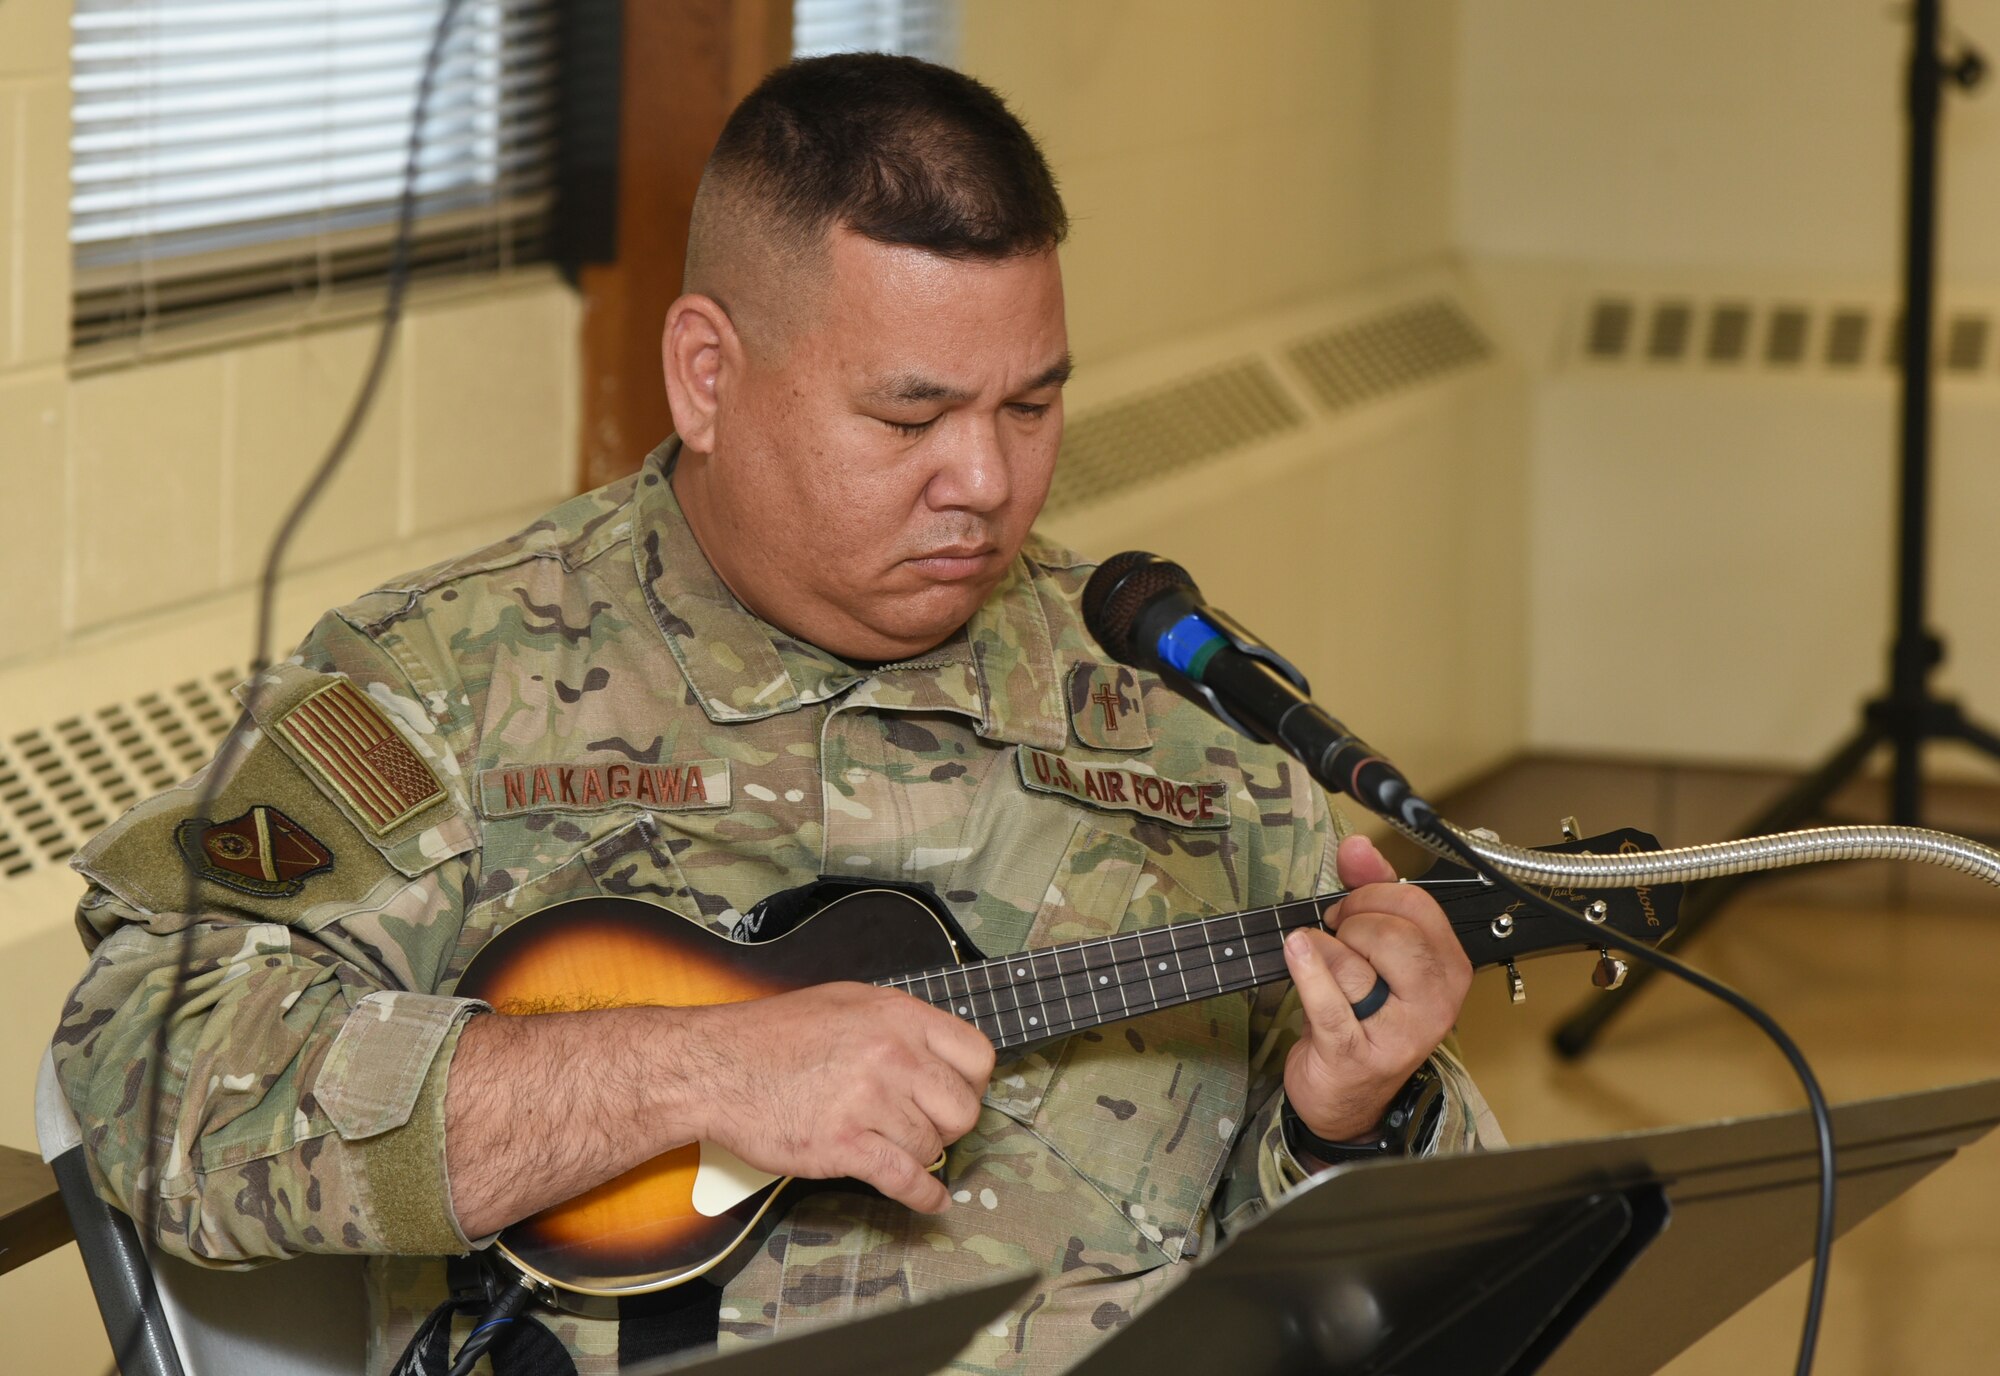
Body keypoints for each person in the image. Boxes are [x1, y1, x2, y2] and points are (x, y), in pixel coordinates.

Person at [51, 53, 1499, 1375]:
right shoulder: (453, 681)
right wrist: (692, 1072)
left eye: (1031, 408)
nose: (986, 483)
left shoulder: (1177, 709)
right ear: (708, 375)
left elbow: (1376, 1298)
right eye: (909, 417)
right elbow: (148, 1065)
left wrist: (1348, 1120)